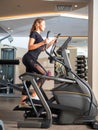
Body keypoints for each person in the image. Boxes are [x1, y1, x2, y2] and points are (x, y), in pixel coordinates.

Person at [20, 18, 57, 107]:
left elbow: (43, 49)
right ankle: (34, 95)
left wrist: (51, 42)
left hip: (32, 59)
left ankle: (22, 102)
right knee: (44, 74)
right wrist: (43, 42)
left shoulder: (39, 36)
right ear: (38, 24)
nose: (45, 26)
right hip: (29, 58)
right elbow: (30, 47)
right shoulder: (34, 34)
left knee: (29, 80)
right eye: (43, 24)